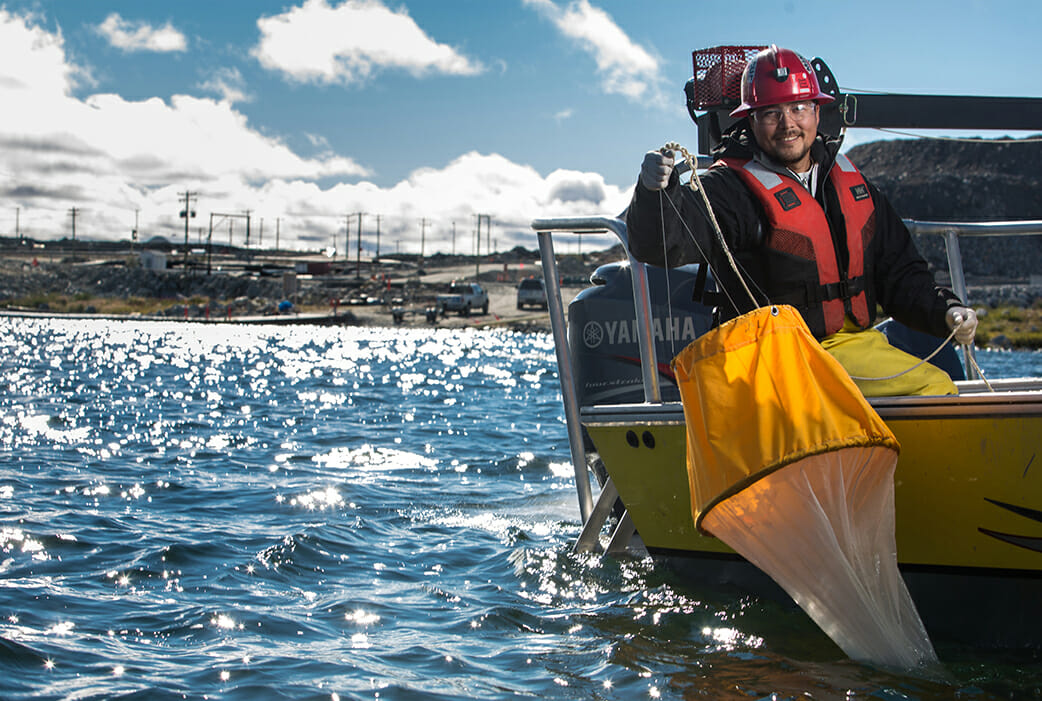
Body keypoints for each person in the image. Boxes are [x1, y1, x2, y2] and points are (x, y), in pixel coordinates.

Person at [626, 45, 977, 396]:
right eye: (771, 113)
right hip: (775, 359)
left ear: (817, 112)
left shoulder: (851, 184)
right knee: (934, 388)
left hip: (850, 347)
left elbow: (901, 274)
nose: (788, 124)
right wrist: (654, 192)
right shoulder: (727, 189)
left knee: (935, 375)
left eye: (799, 108)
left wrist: (947, 311)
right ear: (750, 119)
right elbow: (662, 246)